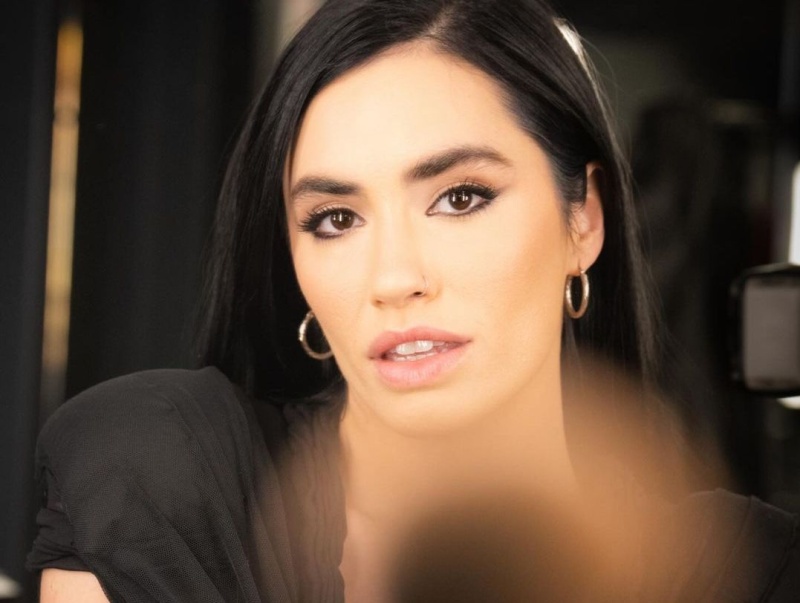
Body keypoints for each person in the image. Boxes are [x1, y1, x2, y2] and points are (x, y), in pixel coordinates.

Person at [28, 0, 799, 601]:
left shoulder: (750, 572)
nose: (395, 277)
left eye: (460, 197)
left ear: (584, 220)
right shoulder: (155, 485)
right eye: (336, 219)